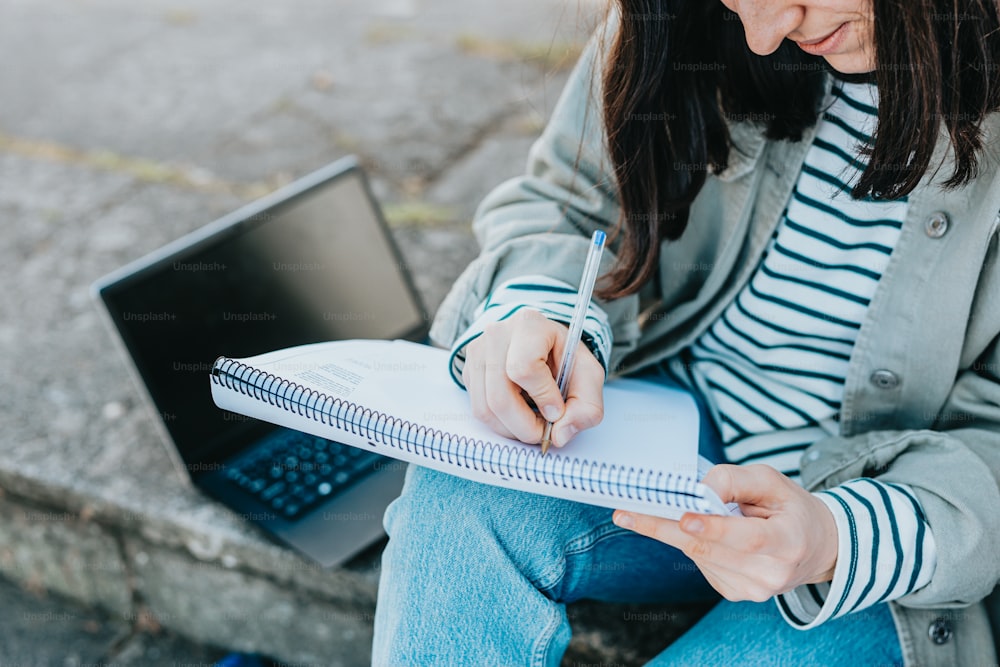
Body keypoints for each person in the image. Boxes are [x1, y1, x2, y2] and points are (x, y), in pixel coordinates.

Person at [372, 0, 1000, 664]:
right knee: (463, 488)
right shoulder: (695, 18)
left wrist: (831, 537)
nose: (764, 36)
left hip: (881, 553)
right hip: (681, 446)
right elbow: (577, 196)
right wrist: (545, 308)